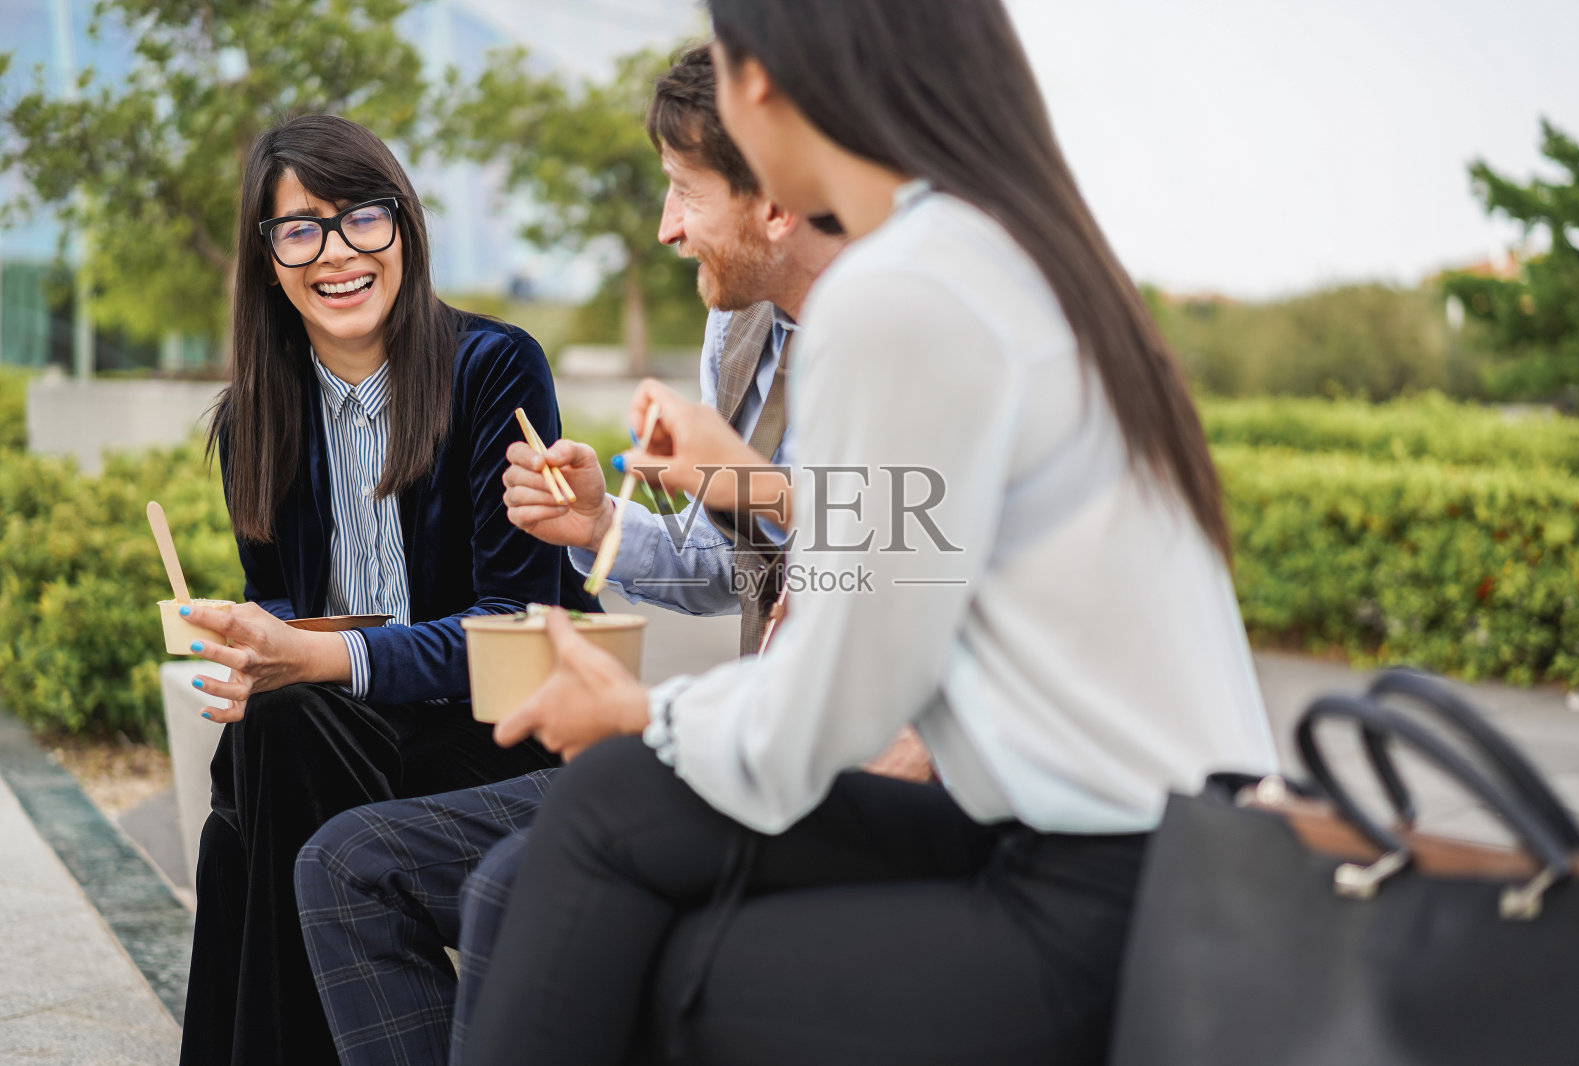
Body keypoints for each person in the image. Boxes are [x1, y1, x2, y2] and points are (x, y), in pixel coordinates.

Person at [459, 2, 1281, 1064]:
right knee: (607, 814)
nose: (667, 221)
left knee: (633, 919)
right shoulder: (1010, 252)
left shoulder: (904, 294)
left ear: (762, 82)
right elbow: (899, 554)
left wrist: (642, 713)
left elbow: (836, 696)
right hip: (1156, 847)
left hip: (1103, 894)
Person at [291, 45, 882, 1066]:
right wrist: (602, 523)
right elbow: (734, 562)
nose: (663, 226)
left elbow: (902, 550)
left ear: (774, 202)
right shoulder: (739, 332)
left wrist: (736, 478)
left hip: (811, 758)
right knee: (344, 863)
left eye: (682, 191)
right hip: (738, 733)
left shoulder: (897, 336)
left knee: (507, 890)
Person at [175, 113, 587, 1066]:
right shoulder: (256, 417)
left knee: (262, 784)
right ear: (269, 258)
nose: (336, 253)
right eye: (300, 228)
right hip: (344, 740)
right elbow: (278, 594)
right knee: (267, 739)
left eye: (362, 218)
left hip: (498, 735)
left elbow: (517, 628)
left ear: (403, 228)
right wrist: (252, 642)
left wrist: (315, 657)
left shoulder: (492, 370)